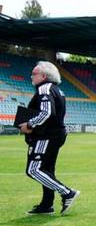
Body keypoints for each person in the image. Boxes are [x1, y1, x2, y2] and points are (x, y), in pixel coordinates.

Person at [18, 61, 80, 215]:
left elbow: (46, 113)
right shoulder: (57, 90)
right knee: (46, 170)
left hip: (46, 136)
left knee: (33, 170)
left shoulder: (44, 89)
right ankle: (46, 205)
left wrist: (30, 125)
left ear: (44, 76)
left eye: (34, 73)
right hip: (55, 135)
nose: (31, 76)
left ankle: (67, 192)